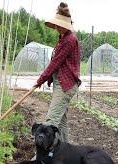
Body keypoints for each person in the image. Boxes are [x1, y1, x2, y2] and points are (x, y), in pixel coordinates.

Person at [33, 2, 81, 143]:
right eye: (56, 25)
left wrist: (40, 80)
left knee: (51, 120)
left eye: (60, 25)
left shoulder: (69, 40)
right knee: (61, 121)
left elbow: (55, 63)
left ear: (67, 25)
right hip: (61, 84)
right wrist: (44, 80)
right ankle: (66, 151)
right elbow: (57, 63)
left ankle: (42, 153)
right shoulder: (63, 38)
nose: (57, 27)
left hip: (65, 85)